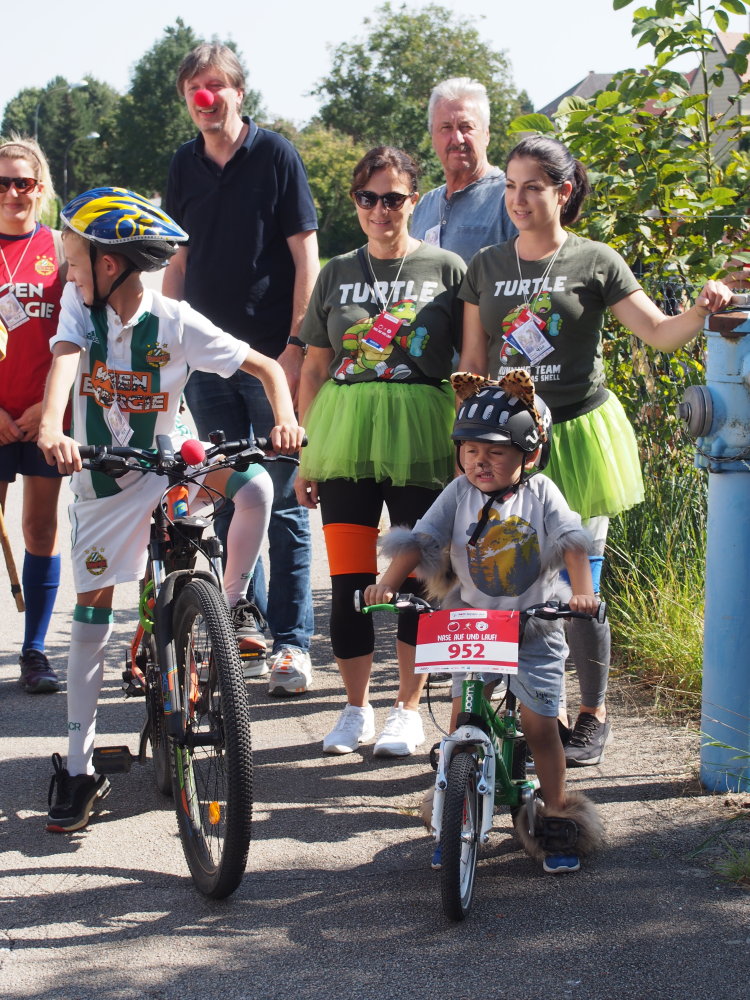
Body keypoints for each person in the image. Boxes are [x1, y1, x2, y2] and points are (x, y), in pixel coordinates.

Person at [458, 134, 733, 766]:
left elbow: (660, 334)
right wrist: (470, 445)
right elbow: (472, 363)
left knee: (578, 580)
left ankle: (593, 714)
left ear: (563, 191)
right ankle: (526, 715)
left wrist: (701, 308)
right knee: (509, 575)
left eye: (533, 187)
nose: (518, 199)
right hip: (508, 439)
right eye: (511, 187)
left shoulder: (596, 260)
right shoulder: (486, 265)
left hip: (579, 434)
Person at [38, 188, 303, 832]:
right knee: (93, 611)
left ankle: (227, 608)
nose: (69, 272)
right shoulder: (79, 306)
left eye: (74, 260)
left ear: (109, 264)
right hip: (104, 474)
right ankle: (78, 766)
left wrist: (286, 418)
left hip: (169, 459)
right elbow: (66, 363)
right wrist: (51, 427)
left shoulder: (177, 321)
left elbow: (267, 369)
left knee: (257, 488)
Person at [366, 372, 604, 873]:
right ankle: (452, 817)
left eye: (495, 452)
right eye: (470, 450)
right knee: (461, 720)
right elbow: (419, 540)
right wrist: (386, 583)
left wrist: (583, 593)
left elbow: (573, 543)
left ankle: (557, 816)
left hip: (533, 626)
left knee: (540, 728)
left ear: (529, 453)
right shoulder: (458, 493)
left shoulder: (542, 493)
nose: (480, 461)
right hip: (474, 626)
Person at [294, 146, 465, 757]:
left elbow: (471, 359)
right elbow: (315, 368)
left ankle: (407, 711)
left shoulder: (448, 268)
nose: (380, 209)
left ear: (414, 200)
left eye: (393, 198)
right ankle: (354, 709)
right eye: (367, 198)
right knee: (349, 579)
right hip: (344, 436)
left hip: (423, 432)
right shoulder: (336, 271)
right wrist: (307, 454)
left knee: (420, 575)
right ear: (355, 202)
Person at [163, 42, 319, 696]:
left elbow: (306, 257)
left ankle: (292, 644)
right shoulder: (184, 164)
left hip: (270, 360)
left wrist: (295, 347)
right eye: (194, 89)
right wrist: (168, 350)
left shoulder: (277, 155)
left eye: (215, 86)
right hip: (205, 361)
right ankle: (242, 625)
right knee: (231, 495)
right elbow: (177, 260)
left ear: (238, 92)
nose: (206, 98)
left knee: (284, 503)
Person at [0, 136, 66, 693]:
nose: (11, 193)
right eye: (1, 183)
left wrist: (48, 405)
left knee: (39, 528)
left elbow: (82, 335)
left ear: (39, 188)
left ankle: (36, 650)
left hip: (44, 415)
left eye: (22, 182)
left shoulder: (62, 250)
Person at [410, 78, 516, 264]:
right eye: (446, 128)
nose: (457, 138)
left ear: (486, 135)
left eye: (466, 127)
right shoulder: (425, 205)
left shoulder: (510, 196)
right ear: (432, 137)